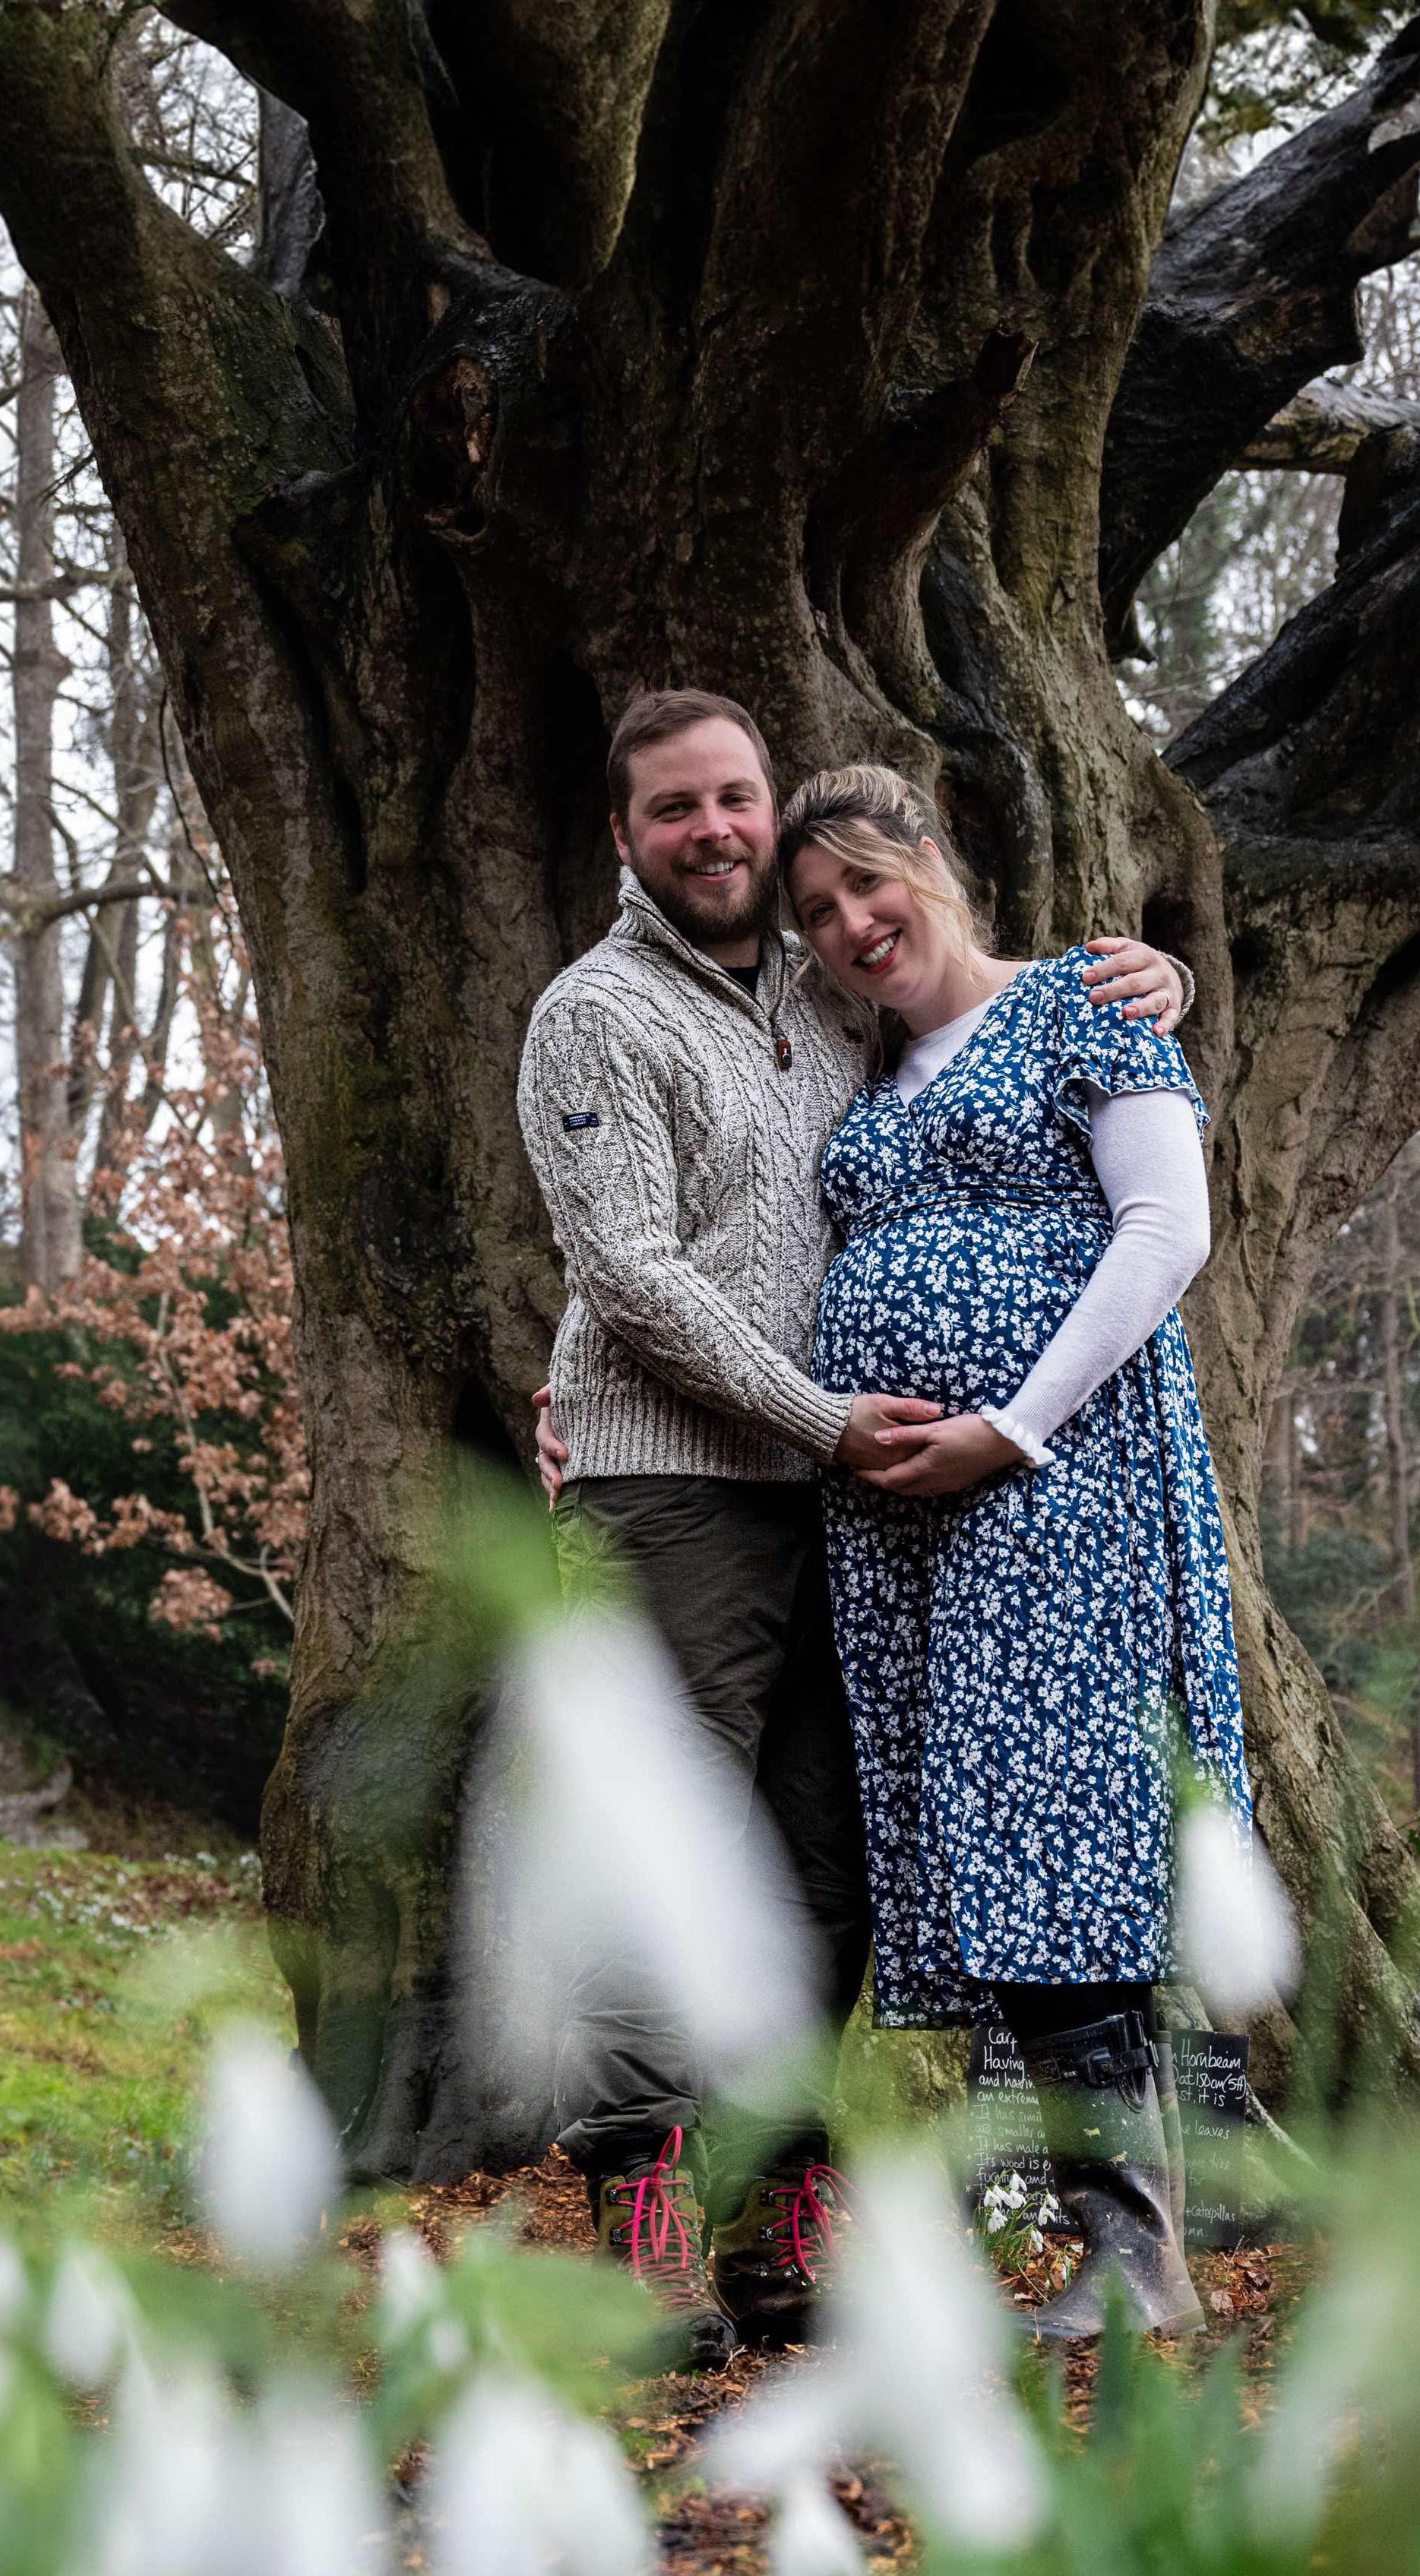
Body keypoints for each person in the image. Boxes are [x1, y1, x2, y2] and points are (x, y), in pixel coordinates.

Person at [517, 688, 1186, 2352]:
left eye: (735, 797)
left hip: (861, 1518)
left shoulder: (831, 1002)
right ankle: (645, 2215)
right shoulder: (593, 1014)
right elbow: (629, 1269)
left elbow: (1004, 1041)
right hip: (677, 1489)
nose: (716, 831)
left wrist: (1148, 982)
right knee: (658, 1842)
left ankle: (776, 2220)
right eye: (675, 808)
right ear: (625, 837)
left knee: (825, 1873)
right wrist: (815, 1413)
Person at [780, 762, 1252, 2341]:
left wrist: (1015, 1427)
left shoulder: (1083, 1006)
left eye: (868, 881)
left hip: (1062, 1480)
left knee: (1063, 1834)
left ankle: (1140, 2252)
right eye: (819, 911)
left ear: (933, 856)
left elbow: (1169, 1230)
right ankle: (1103, 2237)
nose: (853, 924)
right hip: (900, 1526)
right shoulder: (862, 1070)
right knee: (992, 1841)